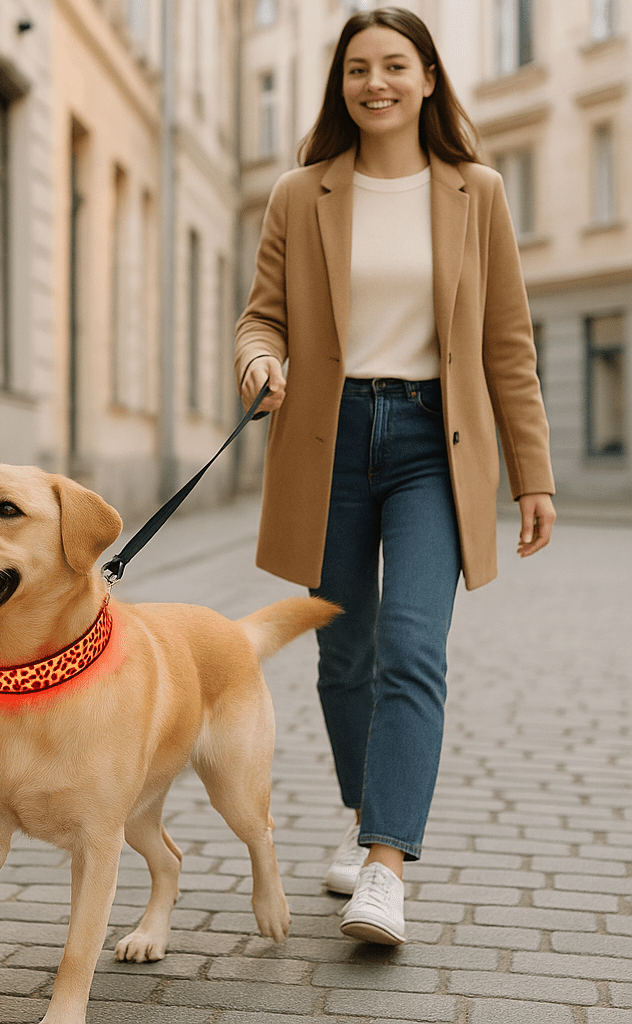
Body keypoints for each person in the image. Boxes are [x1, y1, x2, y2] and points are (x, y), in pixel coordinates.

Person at [235, 7, 555, 945]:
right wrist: (259, 363)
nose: (375, 83)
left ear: (426, 79)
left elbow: (508, 344)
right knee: (343, 652)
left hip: (431, 444)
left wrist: (531, 473)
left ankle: (385, 865)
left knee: (413, 648)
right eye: (357, 70)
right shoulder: (301, 194)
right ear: (342, 86)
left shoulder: (476, 191)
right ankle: (362, 814)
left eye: (394, 67)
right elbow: (263, 317)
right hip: (325, 443)